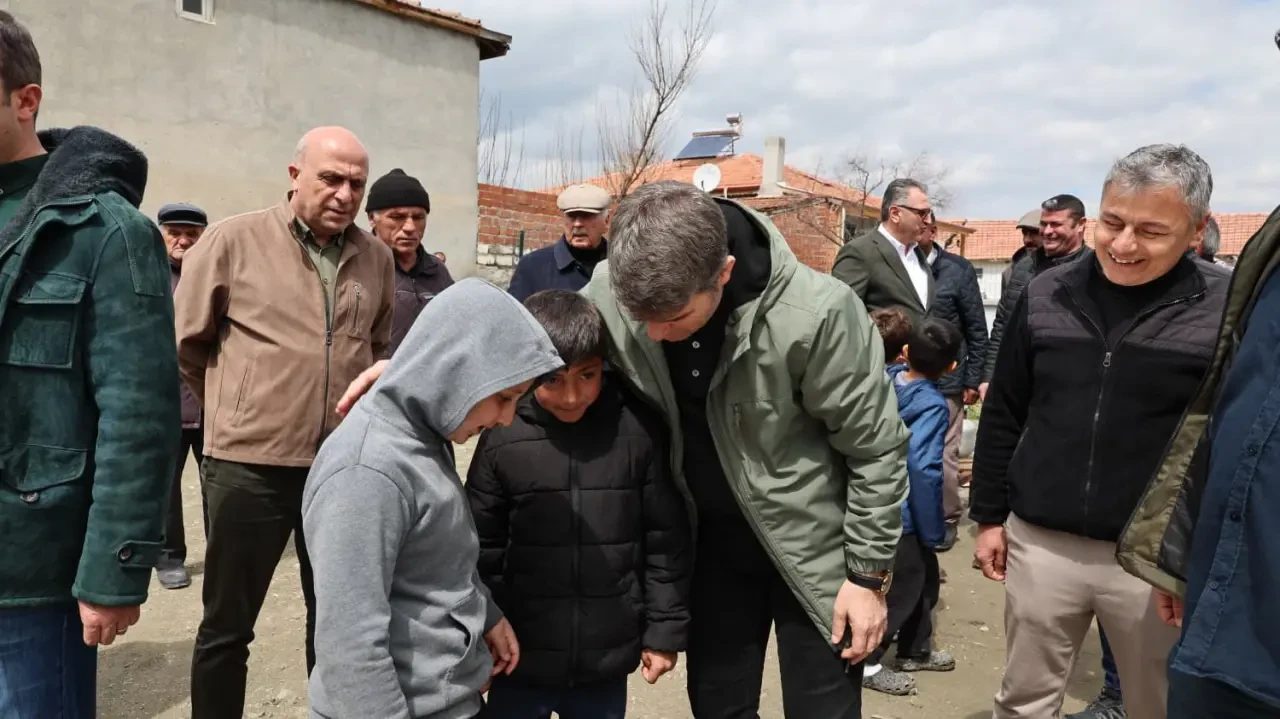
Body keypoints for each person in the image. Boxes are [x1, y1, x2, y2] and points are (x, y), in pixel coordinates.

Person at [334, 181, 911, 717]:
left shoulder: (820, 316)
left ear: (724, 273)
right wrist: (412, 369)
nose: (653, 335)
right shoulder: (615, 288)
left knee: (822, 709)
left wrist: (867, 577)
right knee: (718, 704)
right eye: (641, 319)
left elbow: (877, 450)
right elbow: (529, 333)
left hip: (817, 552)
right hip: (711, 550)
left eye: (675, 318)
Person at [971, 144, 1229, 719]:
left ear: (1196, 230)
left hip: (1153, 559)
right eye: (1112, 222)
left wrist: (1192, 555)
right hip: (1040, 543)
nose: (1124, 244)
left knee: (1156, 703)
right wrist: (989, 515)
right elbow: (1005, 410)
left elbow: (1230, 439)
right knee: (1023, 702)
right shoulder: (1047, 292)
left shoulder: (1223, 308)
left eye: (1150, 230)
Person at [175, 126, 396, 718]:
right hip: (247, 465)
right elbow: (186, 345)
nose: (345, 194)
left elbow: (375, 348)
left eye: (356, 183)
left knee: (334, 620)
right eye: (331, 178)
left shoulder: (375, 257)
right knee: (228, 624)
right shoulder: (230, 241)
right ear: (295, 175)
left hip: (338, 466)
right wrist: (242, 406)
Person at [0, 11, 180, 717]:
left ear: (25, 99)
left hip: (30, 579)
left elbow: (139, 412)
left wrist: (115, 568)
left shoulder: (105, 230)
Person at [303, 278, 560, 719]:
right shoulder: (366, 472)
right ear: (452, 370)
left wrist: (486, 612)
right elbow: (349, 647)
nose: (506, 419)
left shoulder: (424, 432)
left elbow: (434, 560)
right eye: (502, 398)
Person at [466, 289, 692, 718]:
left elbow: (664, 539)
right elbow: (479, 547)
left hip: (603, 661)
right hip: (518, 657)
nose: (572, 396)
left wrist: (663, 631)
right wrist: (479, 631)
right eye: (553, 379)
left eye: (587, 375)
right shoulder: (503, 436)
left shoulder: (636, 433)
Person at [1118, 217, 1280, 716]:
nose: (1124, 243)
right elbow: (1234, 413)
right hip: (1221, 621)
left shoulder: (1213, 290)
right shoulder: (1271, 246)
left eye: (1148, 227)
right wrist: (1186, 556)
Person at [862, 318, 961, 697]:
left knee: (925, 579)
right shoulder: (933, 406)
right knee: (901, 589)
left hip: (875, 498)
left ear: (905, 352)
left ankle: (915, 650)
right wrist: (932, 528)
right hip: (903, 512)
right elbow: (922, 468)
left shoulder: (886, 378)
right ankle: (869, 663)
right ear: (951, 367)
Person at [979, 194, 1090, 401]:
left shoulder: (1095, 272)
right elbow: (1003, 326)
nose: (1047, 232)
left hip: (1072, 390)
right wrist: (989, 376)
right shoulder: (1022, 268)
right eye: (1044, 224)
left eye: (1056, 225)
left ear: (1081, 225)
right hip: (1018, 385)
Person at [918, 220, 987, 549]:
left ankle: (946, 517)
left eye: (923, 226)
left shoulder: (958, 271)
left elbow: (977, 328)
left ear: (932, 230)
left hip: (948, 378)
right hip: (905, 377)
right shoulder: (897, 266)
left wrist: (973, 378)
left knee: (944, 452)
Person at [156, 202, 210, 591]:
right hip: (164, 404)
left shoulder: (213, 276)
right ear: (160, 234)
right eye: (175, 232)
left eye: (192, 233)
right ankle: (169, 556)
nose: (183, 240)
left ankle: (225, 553)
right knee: (165, 487)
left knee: (219, 486)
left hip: (210, 402)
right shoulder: (147, 276)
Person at [366, 168, 454, 355]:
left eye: (418, 217)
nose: (410, 227)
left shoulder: (437, 271)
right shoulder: (358, 268)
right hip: (376, 382)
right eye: (397, 217)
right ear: (372, 220)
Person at [832, 178, 935, 327]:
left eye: (929, 213)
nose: (928, 220)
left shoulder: (918, 254)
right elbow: (842, 316)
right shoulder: (860, 253)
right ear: (895, 213)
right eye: (922, 213)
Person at [507, 183, 611, 302]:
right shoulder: (533, 267)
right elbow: (514, 318)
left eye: (586, 216)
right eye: (571, 216)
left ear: (606, 221)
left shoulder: (621, 265)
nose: (577, 224)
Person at [1002, 209, 1042, 295]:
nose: (1027, 240)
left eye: (1034, 232)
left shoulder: (1070, 271)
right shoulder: (1010, 273)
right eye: (1024, 233)